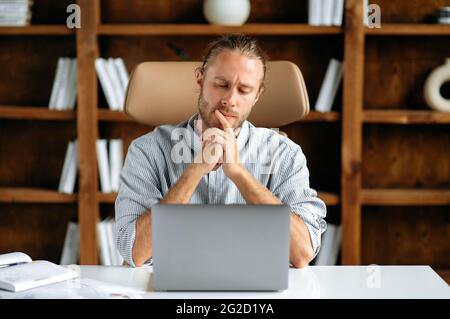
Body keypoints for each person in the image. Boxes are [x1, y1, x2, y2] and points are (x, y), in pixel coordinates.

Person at [115, 34, 327, 268]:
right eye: (221, 85)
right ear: (200, 80)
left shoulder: (285, 154)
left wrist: (238, 173)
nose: (230, 99)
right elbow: (134, 250)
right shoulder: (147, 151)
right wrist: (195, 170)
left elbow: (302, 252)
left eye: (244, 90)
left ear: (257, 96)